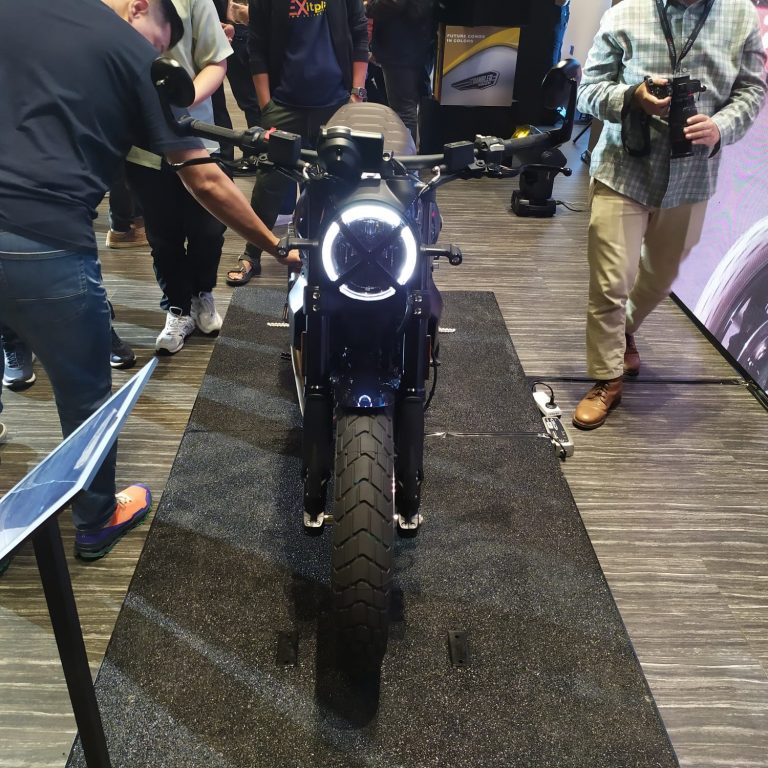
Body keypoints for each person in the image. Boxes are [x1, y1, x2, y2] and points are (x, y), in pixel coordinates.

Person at [0, 0, 297, 565]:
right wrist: (277, 247)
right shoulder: (133, 53)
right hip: (45, 239)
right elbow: (205, 179)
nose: (159, 55)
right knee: (85, 393)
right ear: (140, 7)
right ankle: (96, 519)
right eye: (161, 42)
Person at [572, 0, 767, 430]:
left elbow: (752, 91)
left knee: (661, 277)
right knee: (610, 283)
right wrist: (631, 98)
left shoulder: (739, 17)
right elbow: (588, 90)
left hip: (692, 179)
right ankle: (607, 379)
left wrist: (721, 126)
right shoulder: (625, 13)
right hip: (623, 171)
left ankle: (623, 330)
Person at [225, 0, 369, 286]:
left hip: (336, 103)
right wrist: (266, 106)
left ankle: (331, 253)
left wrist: (357, 93)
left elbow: (359, 33)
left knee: (334, 182)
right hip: (284, 105)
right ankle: (252, 253)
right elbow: (257, 47)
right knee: (269, 183)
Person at [127, 0, 233, 355]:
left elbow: (216, 61)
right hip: (141, 144)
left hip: (196, 135)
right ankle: (177, 307)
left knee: (209, 230)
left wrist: (181, 102)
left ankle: (202, 292)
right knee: (163, 236)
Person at [366, 0, 435, 142]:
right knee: (414, 105)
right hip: (417, 41)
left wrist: (368, 6)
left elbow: (394, 3)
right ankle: (416, 150)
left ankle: (406, 154)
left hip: (400, 46)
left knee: (404, 111)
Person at [211, 0, 261, 168]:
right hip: (231, 32)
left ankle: (255, 156)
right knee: (221, 102)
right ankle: (240, 156)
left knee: (250, 102)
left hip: (234, 32)